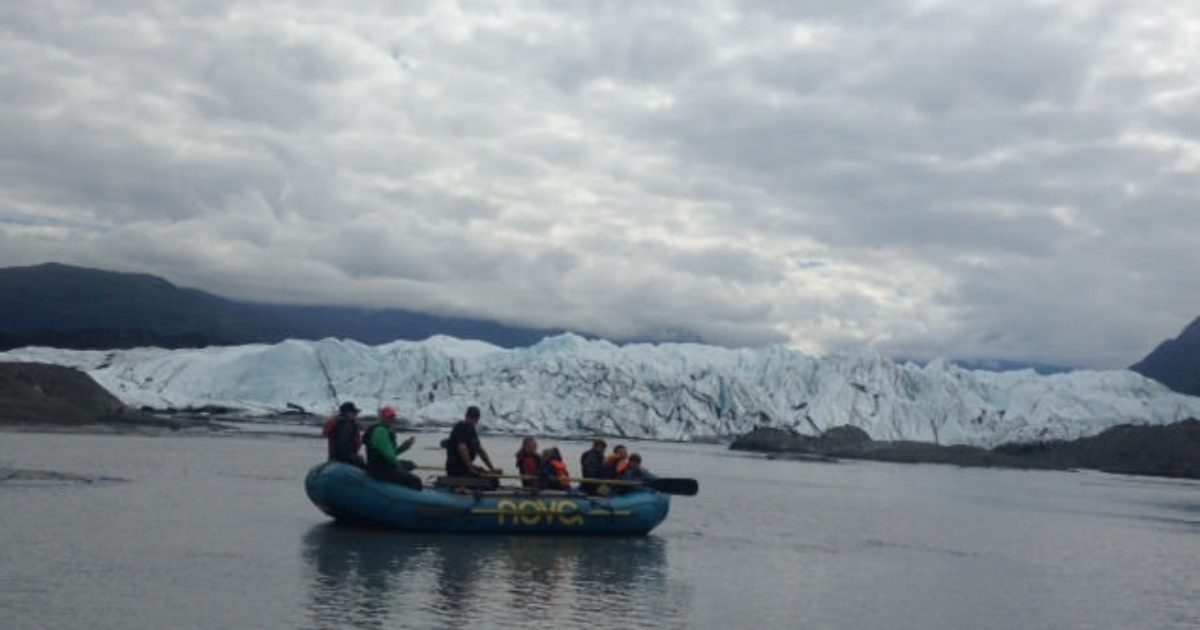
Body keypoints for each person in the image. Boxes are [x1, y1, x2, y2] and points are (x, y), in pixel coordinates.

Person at [363, 406, 422, 490]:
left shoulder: (386, 430)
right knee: (415, 480)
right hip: (378, 469)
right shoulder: (380, 431)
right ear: (382, 418)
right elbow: (390, 456)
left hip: (382, 465)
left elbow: (391, 453)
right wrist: (400, 468)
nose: (391, 419)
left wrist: (405, 446)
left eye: (392, 417)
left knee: (410, 465)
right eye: (389, 417)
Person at [444, 405, 501, 484]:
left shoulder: (472, 430)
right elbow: (462, 448)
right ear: (466, 417)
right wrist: (470, 467)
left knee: (492, 478)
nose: (474, 421)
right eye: (471, 418)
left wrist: (492, 468)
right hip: (455, 467)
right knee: (486, 479)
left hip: (465, 467)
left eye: (475, 418)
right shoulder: (460, 427)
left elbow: (480, 450)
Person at [322, 401, 364, 467]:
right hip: (343, 460)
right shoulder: (346, 425)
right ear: (347, 413)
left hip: (333, 458)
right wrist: (354, 459)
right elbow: (344, 445)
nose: (356, 415)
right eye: (354, 413)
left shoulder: (339, 423)